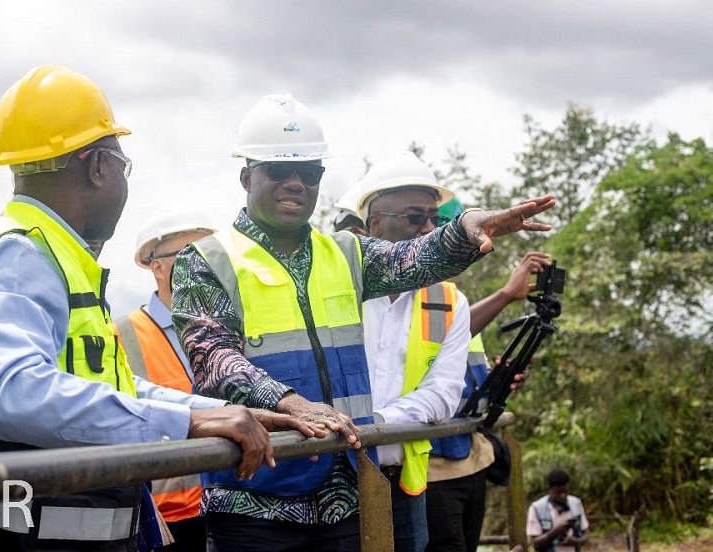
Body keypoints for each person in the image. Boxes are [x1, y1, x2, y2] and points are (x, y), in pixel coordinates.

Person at [0, 65, 321, 551]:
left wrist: (222, 410)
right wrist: (187, 423)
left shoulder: (53, 254)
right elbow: (12, 393)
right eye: (122, 166)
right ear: (98, 167)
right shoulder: (20, 254)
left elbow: (109, 388)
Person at [171, 93, 554, 551]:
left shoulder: (348, 253)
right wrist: (289, 403)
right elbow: (213, 356)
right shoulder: (206, 260)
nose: (296, 182)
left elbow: (416, 258)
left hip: (349, 493)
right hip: (254, 499)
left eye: (310, 172)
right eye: (279, 170)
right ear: (246, 175)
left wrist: (467, 226)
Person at [353, 151, 470, 552]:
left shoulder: (446, 302)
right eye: (414, 218)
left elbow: (443, 394)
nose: (429, 230)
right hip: (327, 477)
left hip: (401, 478)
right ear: (374, 225)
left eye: (435, 220)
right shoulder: (337, 290)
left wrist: (373, 425)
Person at [425, 242, 551, 552]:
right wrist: (506, 294)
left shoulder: (455, 302)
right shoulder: (428, 305)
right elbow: (444, 336)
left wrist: (501, 378)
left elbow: (469, 382)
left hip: (472, 457)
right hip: (434, 465)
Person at [115, 207, 217, 551]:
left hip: (232, 501)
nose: (202, 263)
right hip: (167, 517)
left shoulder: (232, 324)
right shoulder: (123, 333)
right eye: (189, 254)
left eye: (208, 252)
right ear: (156, 266)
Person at [527, 469, 589, 552]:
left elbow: (586, 535)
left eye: (565, 491)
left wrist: (575, 541)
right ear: (549, 489)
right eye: (558, 492)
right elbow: (535, 543)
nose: (563, 496)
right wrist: (555, 532)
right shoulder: (537, 508)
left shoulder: (576, 503)